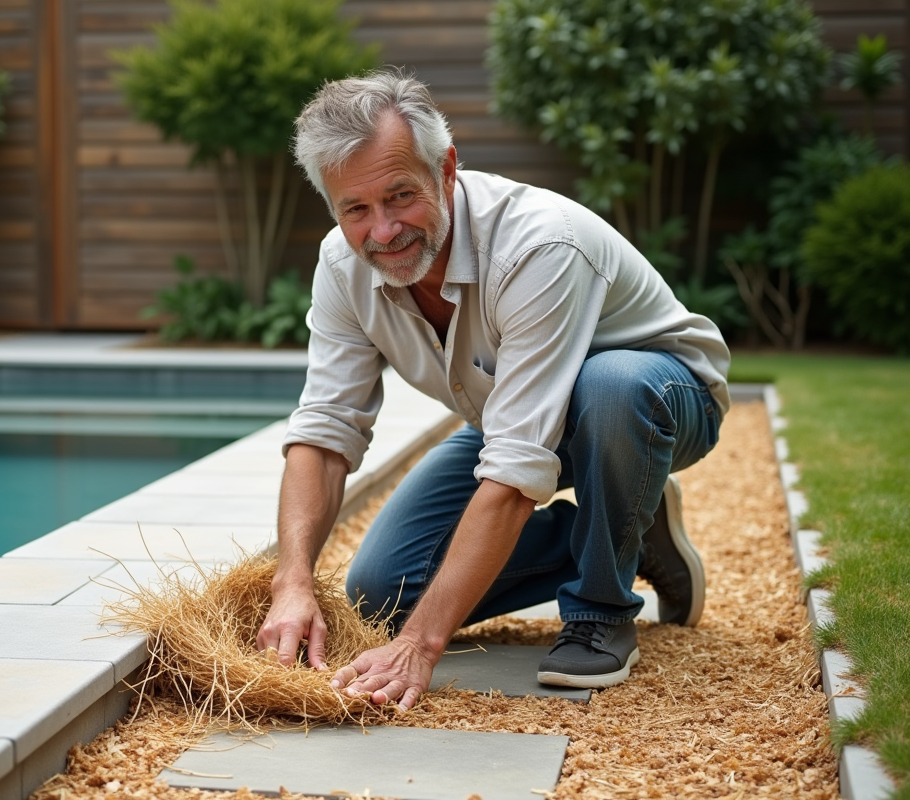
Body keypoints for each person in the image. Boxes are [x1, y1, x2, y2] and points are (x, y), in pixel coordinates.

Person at [254, 69, 730, 711]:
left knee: (609, 382)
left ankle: (601, 607)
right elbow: (325, 430)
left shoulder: (539, 244)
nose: (384, 230)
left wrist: (422, 645)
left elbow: (513, 469)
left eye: (401, 196)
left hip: (662, 397)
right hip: (524, 414)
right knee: (381, 594)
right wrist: (293, 581)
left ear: (445, 169)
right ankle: (629, 528)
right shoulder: (342, 267)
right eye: (356, 209)